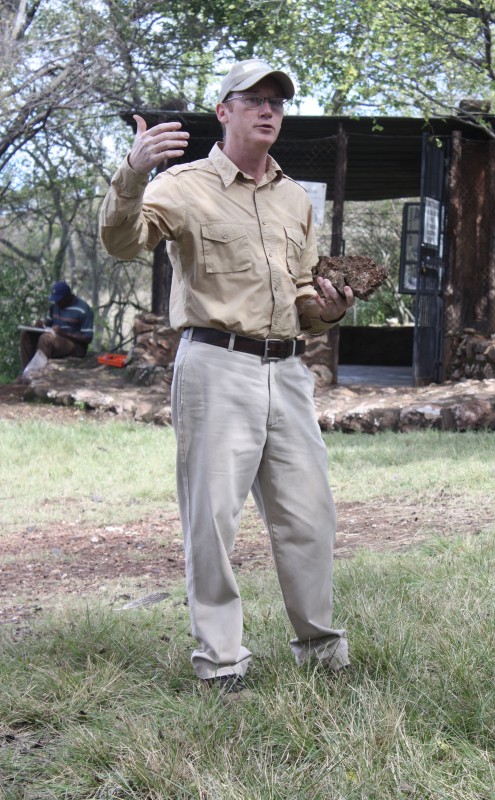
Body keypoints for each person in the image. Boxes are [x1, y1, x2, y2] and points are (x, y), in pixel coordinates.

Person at [100, 59, 354, 697]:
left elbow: (304, 298)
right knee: (212, 519)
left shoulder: (294, 198)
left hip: (287, 371)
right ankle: (220, 661)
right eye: (254, 99)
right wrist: (131, 172)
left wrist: (331, 306)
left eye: (278, 102)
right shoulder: (183, 185)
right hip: (216, 366)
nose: (269, 110)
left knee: (310, 515)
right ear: (224, 111)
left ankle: (322, 651)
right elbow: (123, 243)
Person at [19, 281, 94, 381]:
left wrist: (64, 334)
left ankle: (36, 374)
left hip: (75, 346)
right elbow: (49, 322)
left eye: (60, 300)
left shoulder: (83, 309)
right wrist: (42, 324)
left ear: (68, 297)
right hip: (56, 337)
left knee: (46, 338)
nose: (57, 303)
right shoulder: (55, 306)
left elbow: (87, 338)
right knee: (26, 335)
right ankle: (26, 373)